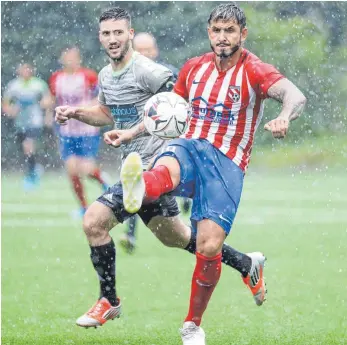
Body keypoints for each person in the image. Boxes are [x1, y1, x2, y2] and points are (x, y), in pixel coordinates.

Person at [55, 7, 267, 330]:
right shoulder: (106, 75)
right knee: (183, 239)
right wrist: (76, 113)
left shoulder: (149, 71)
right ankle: (246, 262)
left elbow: (177, 104)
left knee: (93, 222)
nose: (113, 39)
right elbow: (105, 112)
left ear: (129, 33)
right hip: (138, 171)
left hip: (156, 168)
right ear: (100, 37)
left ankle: (108, 301)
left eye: (118, 33)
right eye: (106, 33)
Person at [119, 3, 307, 344]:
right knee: (167, 165)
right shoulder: (193, 69)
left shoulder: (255, 71)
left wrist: (285, 116)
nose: (222, 38)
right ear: (209, 33)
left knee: (208, 246)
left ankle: (192, 323)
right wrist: (131, 134)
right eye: (217, 31)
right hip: (191, 147)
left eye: (230, 31)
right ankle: (142, 185)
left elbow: (295, 95)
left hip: (227, 165)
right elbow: (165, 113)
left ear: (242, 35)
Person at [118, 32, 191, 254]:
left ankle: (187, 198)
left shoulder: (169, 75)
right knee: (134, 183)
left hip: (167, 141)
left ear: (155, 51)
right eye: (139, 50)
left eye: (148, 50)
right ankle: (131, 234)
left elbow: (184, 104)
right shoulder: (125, 77)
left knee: (155, 182)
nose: (144, 54)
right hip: (138, 142)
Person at [49, 47, 110, 217]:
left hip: (87, 130)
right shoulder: (56, 78)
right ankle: (84, 207)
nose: (69, 60)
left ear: (79, 59)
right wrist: (48, 110)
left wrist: (88, 110)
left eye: (73, 57)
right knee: (72, 170)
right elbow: (53, 98)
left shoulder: (88, 76)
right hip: (67, 131)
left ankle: (104, 182)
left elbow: (100, 96)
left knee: (86, 168)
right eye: (66, 57)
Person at [2, 63, 52, 190]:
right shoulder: (14, 85)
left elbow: (48, 100)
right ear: (19, 71)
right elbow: (5, 103)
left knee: (28, 145)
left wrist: (46, 111)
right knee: (25, 149)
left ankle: (31, 175)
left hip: (35, 121)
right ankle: (34, 168)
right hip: (20, 123)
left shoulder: (38, 84)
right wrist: (11, 111)